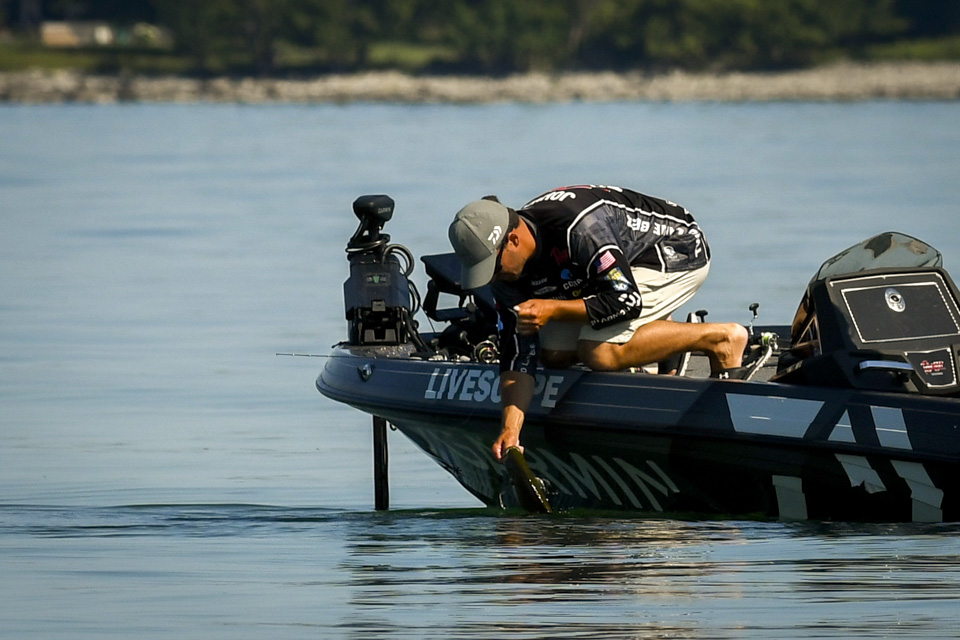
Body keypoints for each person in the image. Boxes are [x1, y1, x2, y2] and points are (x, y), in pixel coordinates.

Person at [448, 184, 750, 461]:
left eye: (493, 268)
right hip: (612, 270)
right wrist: (511, 430)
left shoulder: (579, 230)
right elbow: (517, 354)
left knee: (598, 351)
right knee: (552, 353)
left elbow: (625, 300)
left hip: (677, 249)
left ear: (513, 240)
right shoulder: (506, 274)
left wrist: (552, 309)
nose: (493, 279)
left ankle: (720, 338)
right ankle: (659, 337)